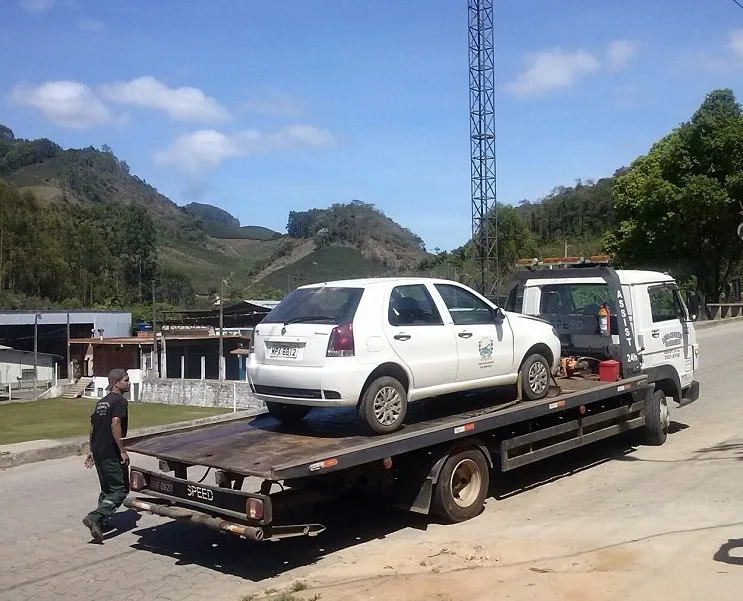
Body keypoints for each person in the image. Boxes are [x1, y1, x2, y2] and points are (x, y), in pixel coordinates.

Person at [82, 368, 131, 542]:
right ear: (116, 383)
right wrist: (122, 451)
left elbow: (93, 427)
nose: (129, 383)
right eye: (126, 380)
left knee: (107, 490)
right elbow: (115, 424)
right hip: (111, 452)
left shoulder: (101, 402)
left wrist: (92, 450)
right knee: (120, 490)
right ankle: (95, 516)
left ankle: (101, 521)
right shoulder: (120, 401)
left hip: (99, 451)